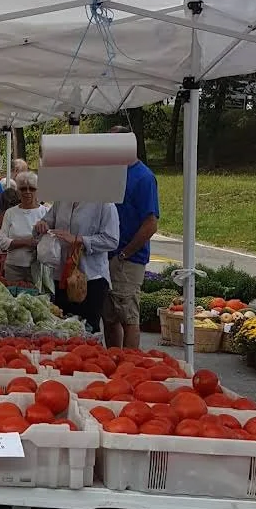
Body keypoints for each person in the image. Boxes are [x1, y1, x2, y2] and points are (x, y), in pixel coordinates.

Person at [102, 133, 160, 348]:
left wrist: (124, 254)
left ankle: (129, 365)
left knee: (127, 316)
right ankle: (113, 359)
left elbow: (151, 223)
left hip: (127, 259)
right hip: (108, 256)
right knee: (109, 316)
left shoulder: (143, 177)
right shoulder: (114, 173)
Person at [34, 199, 119, 333]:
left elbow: (111, 240)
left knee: (88, 328)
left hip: (90, 277)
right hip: (63, 276)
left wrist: (79, 239)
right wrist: (42, 225)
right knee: (62, 326)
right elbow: (48, 221)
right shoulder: (62, 201)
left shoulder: (105, 204)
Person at [0, 172, 49, 282]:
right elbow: (2, 242)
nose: (27, 192)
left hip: (38, 267)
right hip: (13, 267)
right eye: (23, 189)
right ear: (18, 192)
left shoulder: (46, 212)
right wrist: (26, 242)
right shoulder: (10, 213)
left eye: (32, 189)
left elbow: (52, 240)